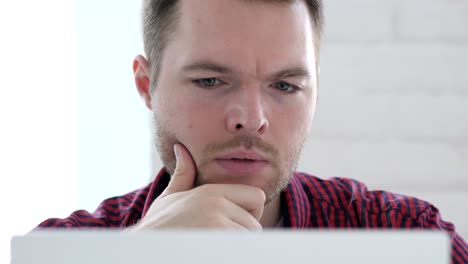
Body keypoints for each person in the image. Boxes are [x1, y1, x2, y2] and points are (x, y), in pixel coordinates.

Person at [37, 0, 467, 263]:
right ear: (147, 86)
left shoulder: (406, 237)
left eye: (284, 86)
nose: (251, 118)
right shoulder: (63, 251)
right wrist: (135, 258)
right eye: (210, 81)